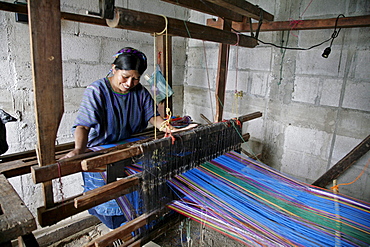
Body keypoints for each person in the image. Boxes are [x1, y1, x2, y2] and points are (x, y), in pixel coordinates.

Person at [62, 47, 172, 230]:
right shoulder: (97, 90)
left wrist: (169, 128)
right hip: (102, 151)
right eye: (125, 76)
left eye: (136, 78)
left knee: (135, 193)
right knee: (110, 202)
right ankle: (121, 230)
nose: (130, 83)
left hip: (129, 149)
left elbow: (153, 117)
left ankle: (135, 226)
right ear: (114, 69)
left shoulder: (140, 92)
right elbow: (83, 125)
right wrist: (79, 149)